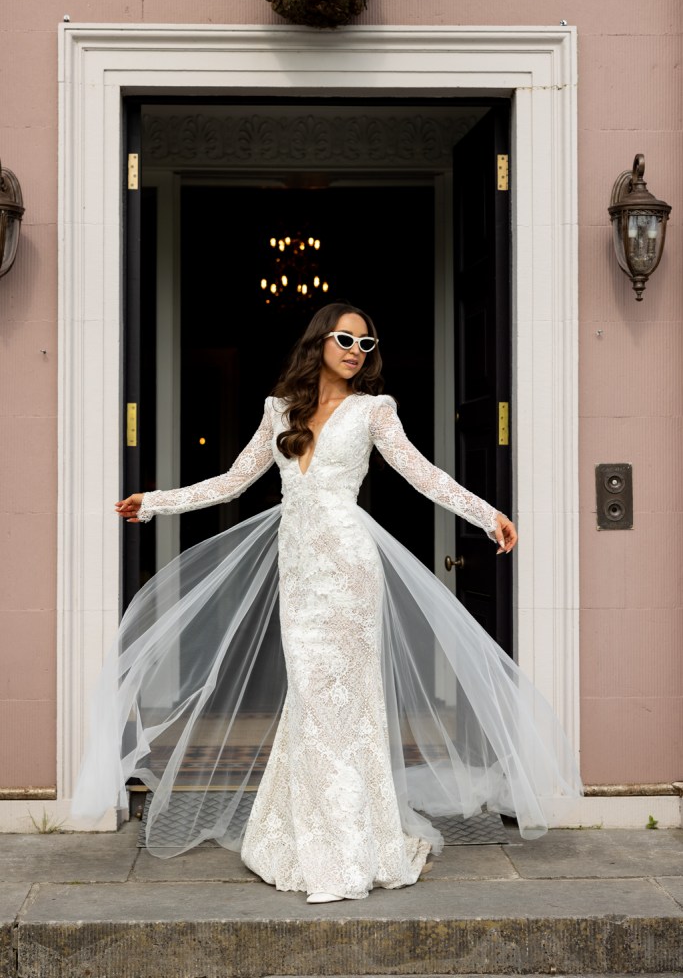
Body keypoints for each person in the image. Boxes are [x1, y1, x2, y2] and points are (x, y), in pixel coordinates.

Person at [72, 301, 582, 903]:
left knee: (343, 706)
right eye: (346, 339)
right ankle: (304, 834)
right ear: (320, 341)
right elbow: (232, 482)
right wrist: (153, 501)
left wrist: (486, 512)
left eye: (366, 345)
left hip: (349, 570)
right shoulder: (278, 410)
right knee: (312, 702)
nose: (355, 351)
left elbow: (424, 475)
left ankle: (343, 852)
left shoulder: (374, 411)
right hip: (302, 574)